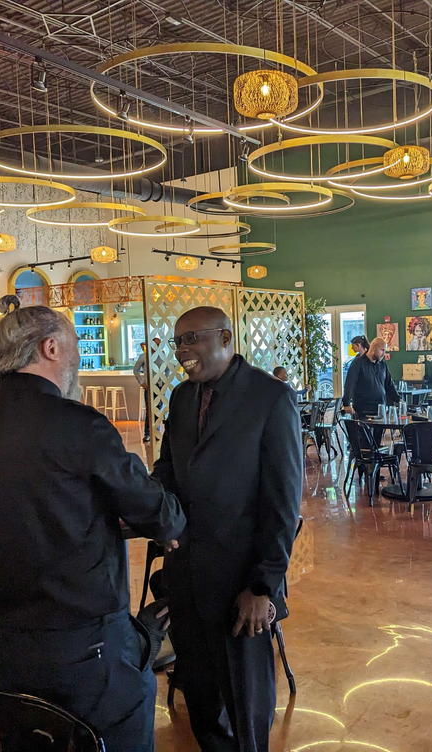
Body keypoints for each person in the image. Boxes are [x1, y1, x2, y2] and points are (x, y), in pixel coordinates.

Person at [0, 305, 186, 752]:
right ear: (50, 347)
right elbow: (154, 510)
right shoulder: (80, 426)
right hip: (84, 645)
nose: (78, 360)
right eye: (74, 348)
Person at [152, 306, 302, 752]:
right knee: (200, 693)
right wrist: (151, 512)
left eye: (192, 339)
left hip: (241, 583)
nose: (183, 351)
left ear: (225, 336)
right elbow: (167, 470)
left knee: (246, 700)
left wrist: (264, 586)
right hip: (185, 574)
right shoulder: (181, 398)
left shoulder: (269, 397)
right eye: (177, 341)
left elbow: (282, 503)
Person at [342, 337, 399, 418]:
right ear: (373, 348)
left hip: (380, 409)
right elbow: (350, 384)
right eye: (382, 350)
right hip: (363, 410)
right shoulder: (358, 363)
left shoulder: (382, 364)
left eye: (385, 351)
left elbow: (389, 384)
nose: (384, 354)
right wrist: (346, 403)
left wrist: (398, 400)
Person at [134, 337, 160, 443]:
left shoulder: (162, 357)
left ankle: (156, 432)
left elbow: (167, 369)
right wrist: (141, 382)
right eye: (155, 344)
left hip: (159, 387)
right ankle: (148, 434)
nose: (156, 347)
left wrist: (164, 381)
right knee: (150, 410)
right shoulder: (144, 356)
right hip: (149, 387)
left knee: (158, 410)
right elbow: (135, 370)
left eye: (158, 344)